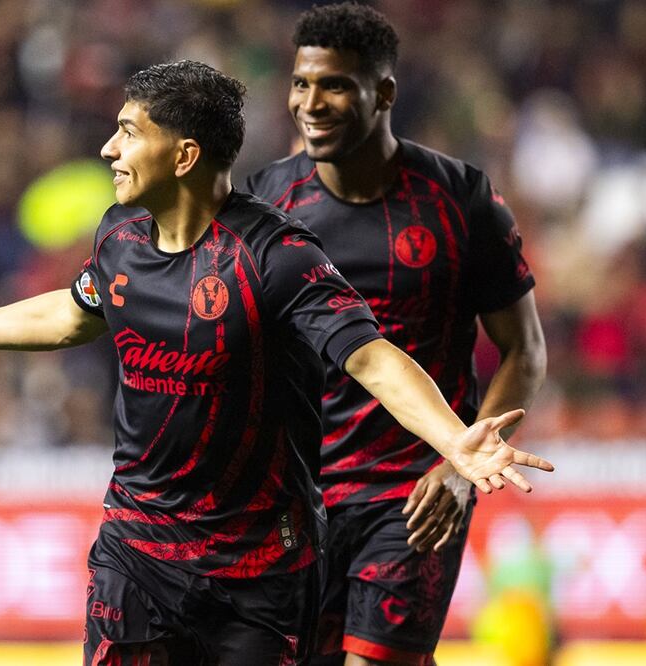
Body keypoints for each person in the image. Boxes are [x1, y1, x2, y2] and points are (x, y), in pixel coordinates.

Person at [0, 60, 551, 666]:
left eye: (128, 132)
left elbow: (371, 359)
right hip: (138, 550)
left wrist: (453, 439)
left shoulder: (278, 257)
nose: (108, 148)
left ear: (184, 154)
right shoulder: (118, 237)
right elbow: (73, 314)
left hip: (259, 568)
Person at [244, 4, 548, 665]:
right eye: (300, 84)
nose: (310, 104)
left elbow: (525, 350)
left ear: (383, 92)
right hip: (295, 498)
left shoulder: (461, 199)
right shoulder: (264, 205)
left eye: (334, 85)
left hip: (415, 492)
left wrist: (459, 467)